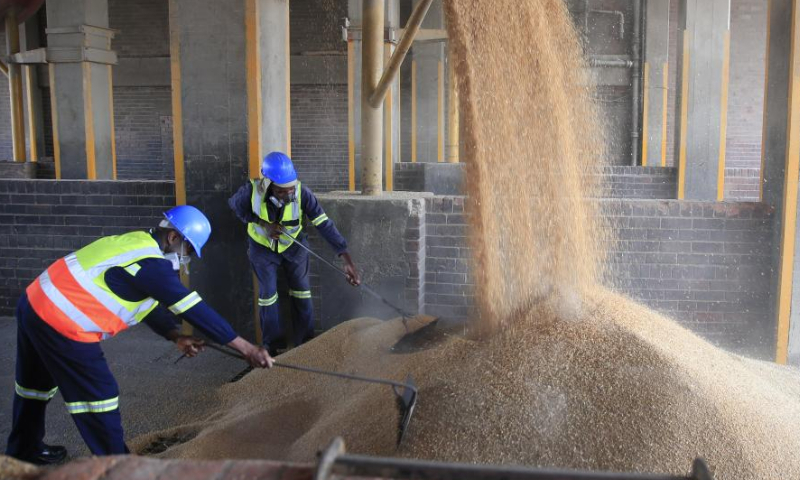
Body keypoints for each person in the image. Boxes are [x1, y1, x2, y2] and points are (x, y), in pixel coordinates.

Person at [5, 205, 273, 464]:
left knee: (34, 386)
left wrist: (174, 336)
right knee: (100, 395)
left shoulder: (135, 244)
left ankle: (24, 449)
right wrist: (246, 348)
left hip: (34, 302)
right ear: (173, 237)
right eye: (188, 248)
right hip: (61, 319)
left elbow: (147, 302)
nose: (186, 256)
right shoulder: (151, 264)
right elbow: (194, 308)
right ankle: (119, 467)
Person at [229, 152, 361, 356]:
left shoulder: (302, 193)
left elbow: (324, 223)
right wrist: (263, 224)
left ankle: (305, 343)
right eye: (282, 192)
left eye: (291, 189)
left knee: (302, 291)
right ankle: (271, 346)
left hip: (295, 247)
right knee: (268, 295)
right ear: (268, 184)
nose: (289, 195)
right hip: (262, 248)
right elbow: (237, 207)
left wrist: (345, 257)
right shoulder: (251, 191)